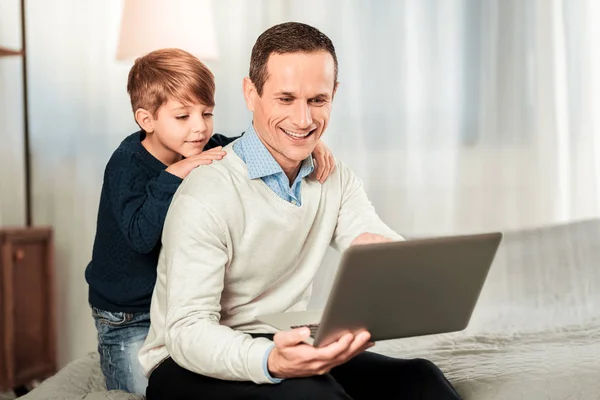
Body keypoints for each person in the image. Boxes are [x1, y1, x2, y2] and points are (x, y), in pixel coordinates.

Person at [140, 23, 461, 399]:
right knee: (316, 395)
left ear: (334, 95)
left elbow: (368, 234)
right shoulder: (206, 193)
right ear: (250, 93)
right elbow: (187, 331)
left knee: (422, 380)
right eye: (286, 99)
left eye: (317, 100)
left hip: (283, 340)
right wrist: (271, 361)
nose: (304, 120)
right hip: (186, 363)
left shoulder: (333, 177)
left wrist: (385, 257)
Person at [84, 47, 336, 395]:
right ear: (147, 120)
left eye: (207, 113)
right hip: (128, 312)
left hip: (174, 302)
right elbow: (140, 237)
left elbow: (253, 145)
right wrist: (172, 176)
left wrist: (306, 145)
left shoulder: (204, 146)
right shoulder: (127, 165)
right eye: (183, 117)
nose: (200, 128)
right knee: (137, 391)